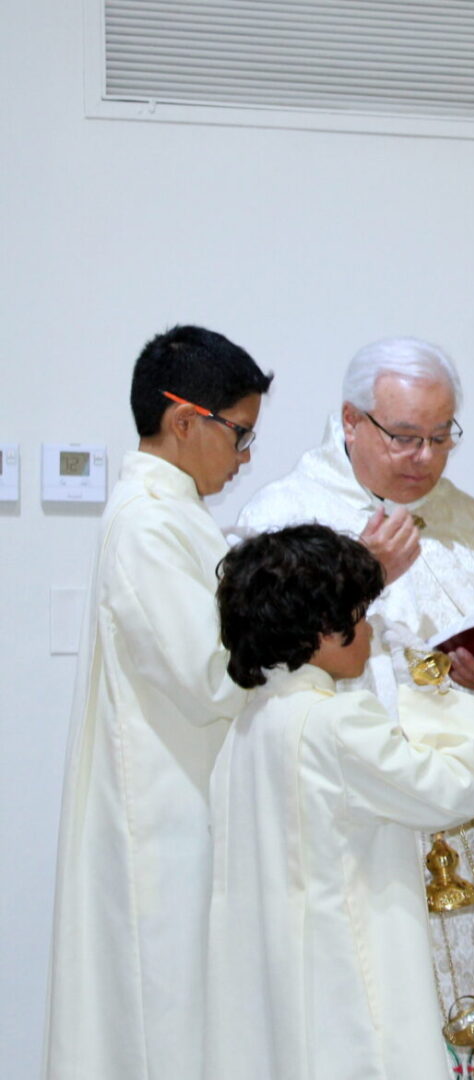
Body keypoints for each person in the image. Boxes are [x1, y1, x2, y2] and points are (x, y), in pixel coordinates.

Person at [235, 338, 474, 1078]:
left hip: (471, 845)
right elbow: (270, 672)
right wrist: (364, 577)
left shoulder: (467, 521)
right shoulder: (285, 515)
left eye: (440, 437)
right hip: (369, 844)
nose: (424, 458)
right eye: (404, 436)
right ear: (352, 421)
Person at [44, 325, 272, 1080]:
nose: (244, 459)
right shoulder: (146, 522)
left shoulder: (173, 514)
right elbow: (210, 675)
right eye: (239, 436)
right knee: (167, 1025)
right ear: (183, 421)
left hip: (189, 806)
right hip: (165, 822)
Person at [204, 524, 474, 1080]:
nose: (367, 632)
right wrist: (441, 698)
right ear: (323, 628)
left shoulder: (246, 728)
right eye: (360, 616)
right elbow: (456, 788)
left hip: (275, 986)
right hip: (347, 985)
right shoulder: (334, 722)